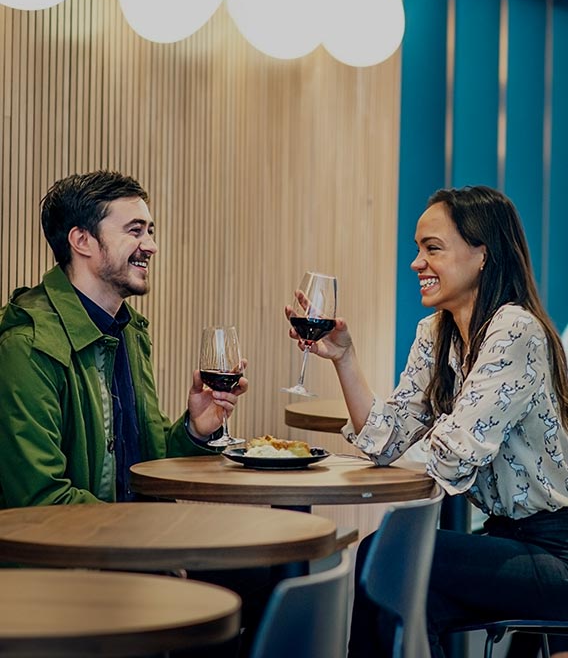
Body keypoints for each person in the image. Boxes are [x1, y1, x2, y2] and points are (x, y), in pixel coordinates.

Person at [287, 185, 568, 658]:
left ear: (482, 254)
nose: (417, 263)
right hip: (504, 539)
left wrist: (388, 454)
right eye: (418, 249)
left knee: (389, 557)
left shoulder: (515, 331)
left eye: (432, 248)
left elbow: (453, 457)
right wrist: (344, 358)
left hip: (556, 551)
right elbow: (387, 438)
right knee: (401, 586)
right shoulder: (436, 331)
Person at [0, 170, 247, 507]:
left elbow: (145, 462)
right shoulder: (27, 346)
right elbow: (41, 498)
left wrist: (194, 430)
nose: (152, 246)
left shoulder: (127, 330)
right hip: (74, 556)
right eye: (135, 231)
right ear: (82, 240)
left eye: (150, 231)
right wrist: (141, 537)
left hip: (134, 546)